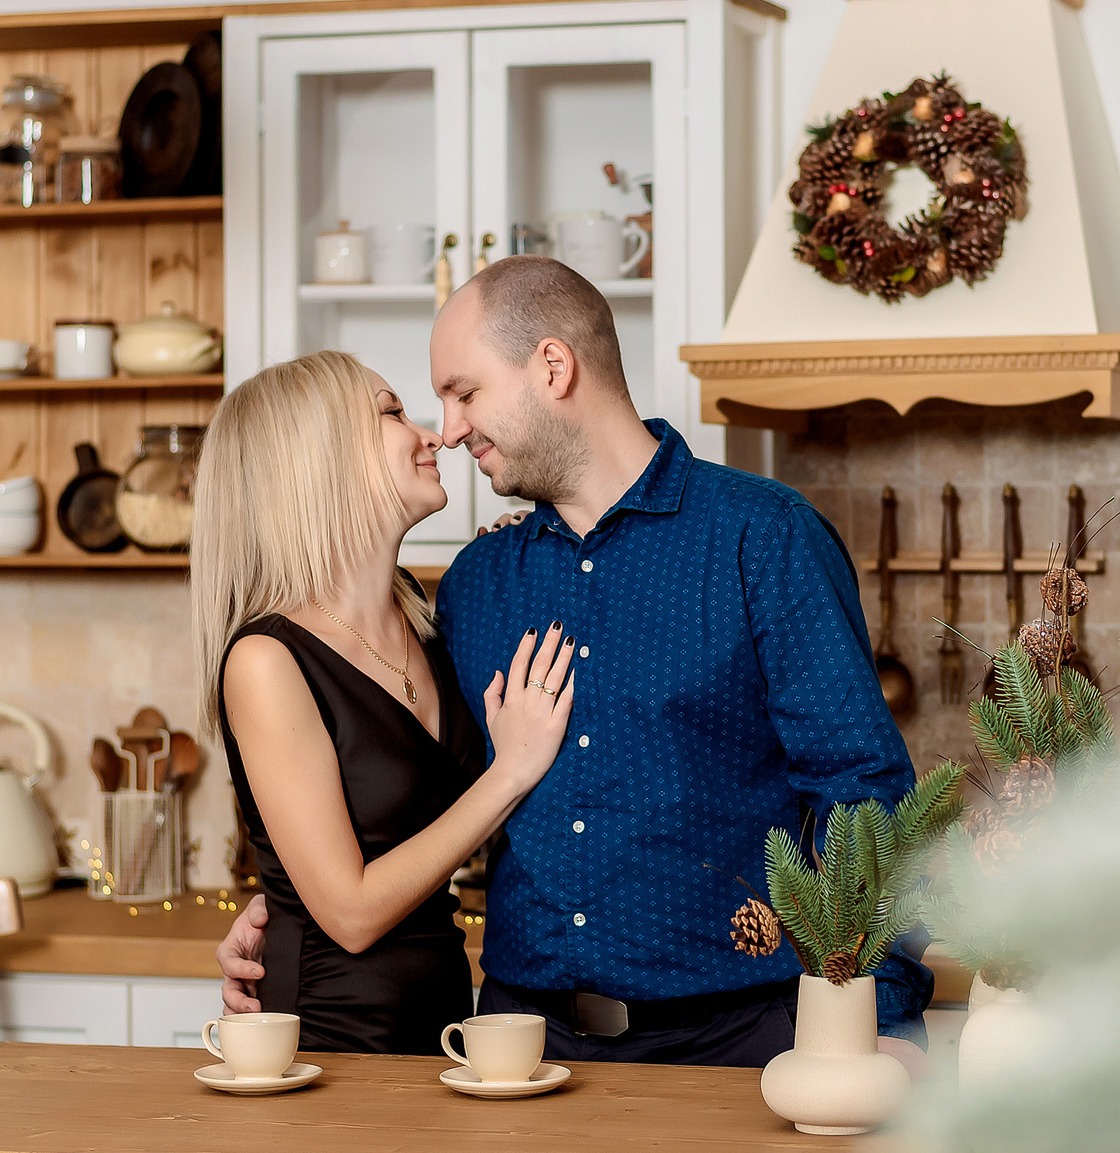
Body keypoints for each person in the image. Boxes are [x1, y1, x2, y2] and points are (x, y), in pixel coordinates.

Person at [222, 256, 930, 1068]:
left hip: (744, 1038)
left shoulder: (761, 538)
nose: (448, 430)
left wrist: (890, 1014)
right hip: (519, 1043)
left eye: (464, 392)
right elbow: (409, 782)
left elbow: (862, 795)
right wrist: (288, 899)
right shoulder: (477, 584)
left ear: (552, 367)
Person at [193, 350, 575, 1055]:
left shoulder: (428, 621)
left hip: (442, 1016)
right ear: (320, 458)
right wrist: (510, 771)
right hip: (332, 1034)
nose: (434, 435)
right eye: (393, 413)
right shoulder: (266, 660)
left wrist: (528, 562)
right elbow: (352, 913)